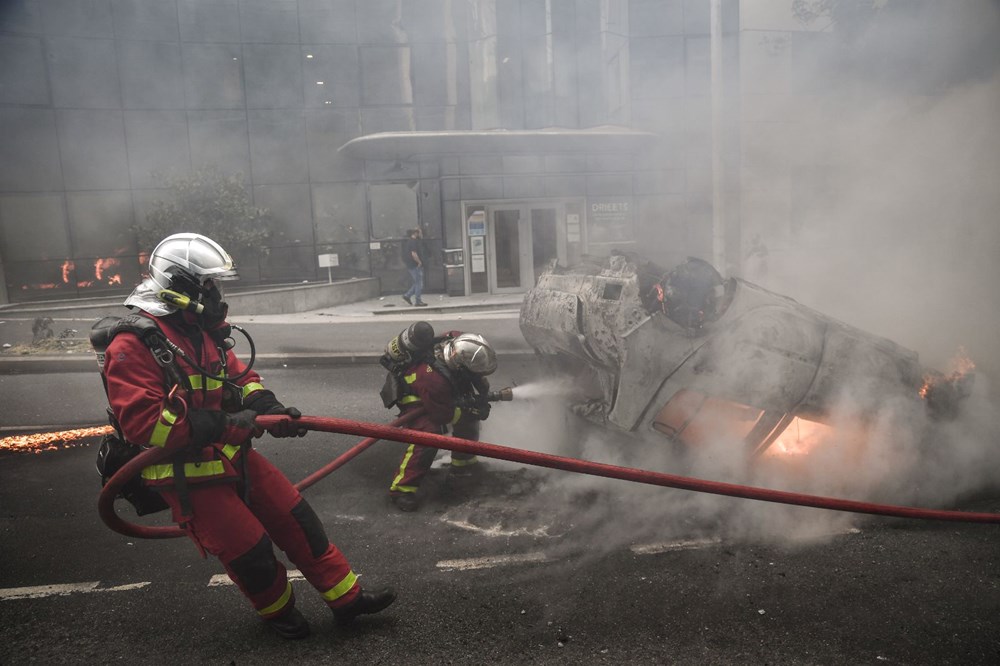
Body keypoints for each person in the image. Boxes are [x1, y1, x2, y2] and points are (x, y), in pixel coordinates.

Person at [99, 233, 396, 639]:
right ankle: (279, 614)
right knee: (251, 551)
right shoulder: (133, 344)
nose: (216, 294)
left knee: (297, 520)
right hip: (183, 471)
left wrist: (270, 408)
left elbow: (240, 381)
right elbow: (145, 424)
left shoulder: (200, 331)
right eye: (208, 285)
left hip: (231, 452)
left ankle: (347, 599)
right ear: (181, 285)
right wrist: (221, 424)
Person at [388, 330, 497, 512]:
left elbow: (474, 375)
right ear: (460, 366)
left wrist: (481, 394)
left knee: (469, 418)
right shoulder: (434, 379)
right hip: (415, 399)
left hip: (436, 393)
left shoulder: (458, 343)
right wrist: (471, 410)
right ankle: (401, 489)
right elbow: (443, 415)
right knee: (428, 435)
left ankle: (464, 463)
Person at [401, 228, 428, 307]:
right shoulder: (413, 242)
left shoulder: (410, 241)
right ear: (416, 233)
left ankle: (407, 295)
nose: (421, 234)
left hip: (411, 265)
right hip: (415, 265)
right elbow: (414, 254)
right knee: (419, 283)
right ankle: (418, 301)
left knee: (418, 283)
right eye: (420, 233)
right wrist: (419, 262)